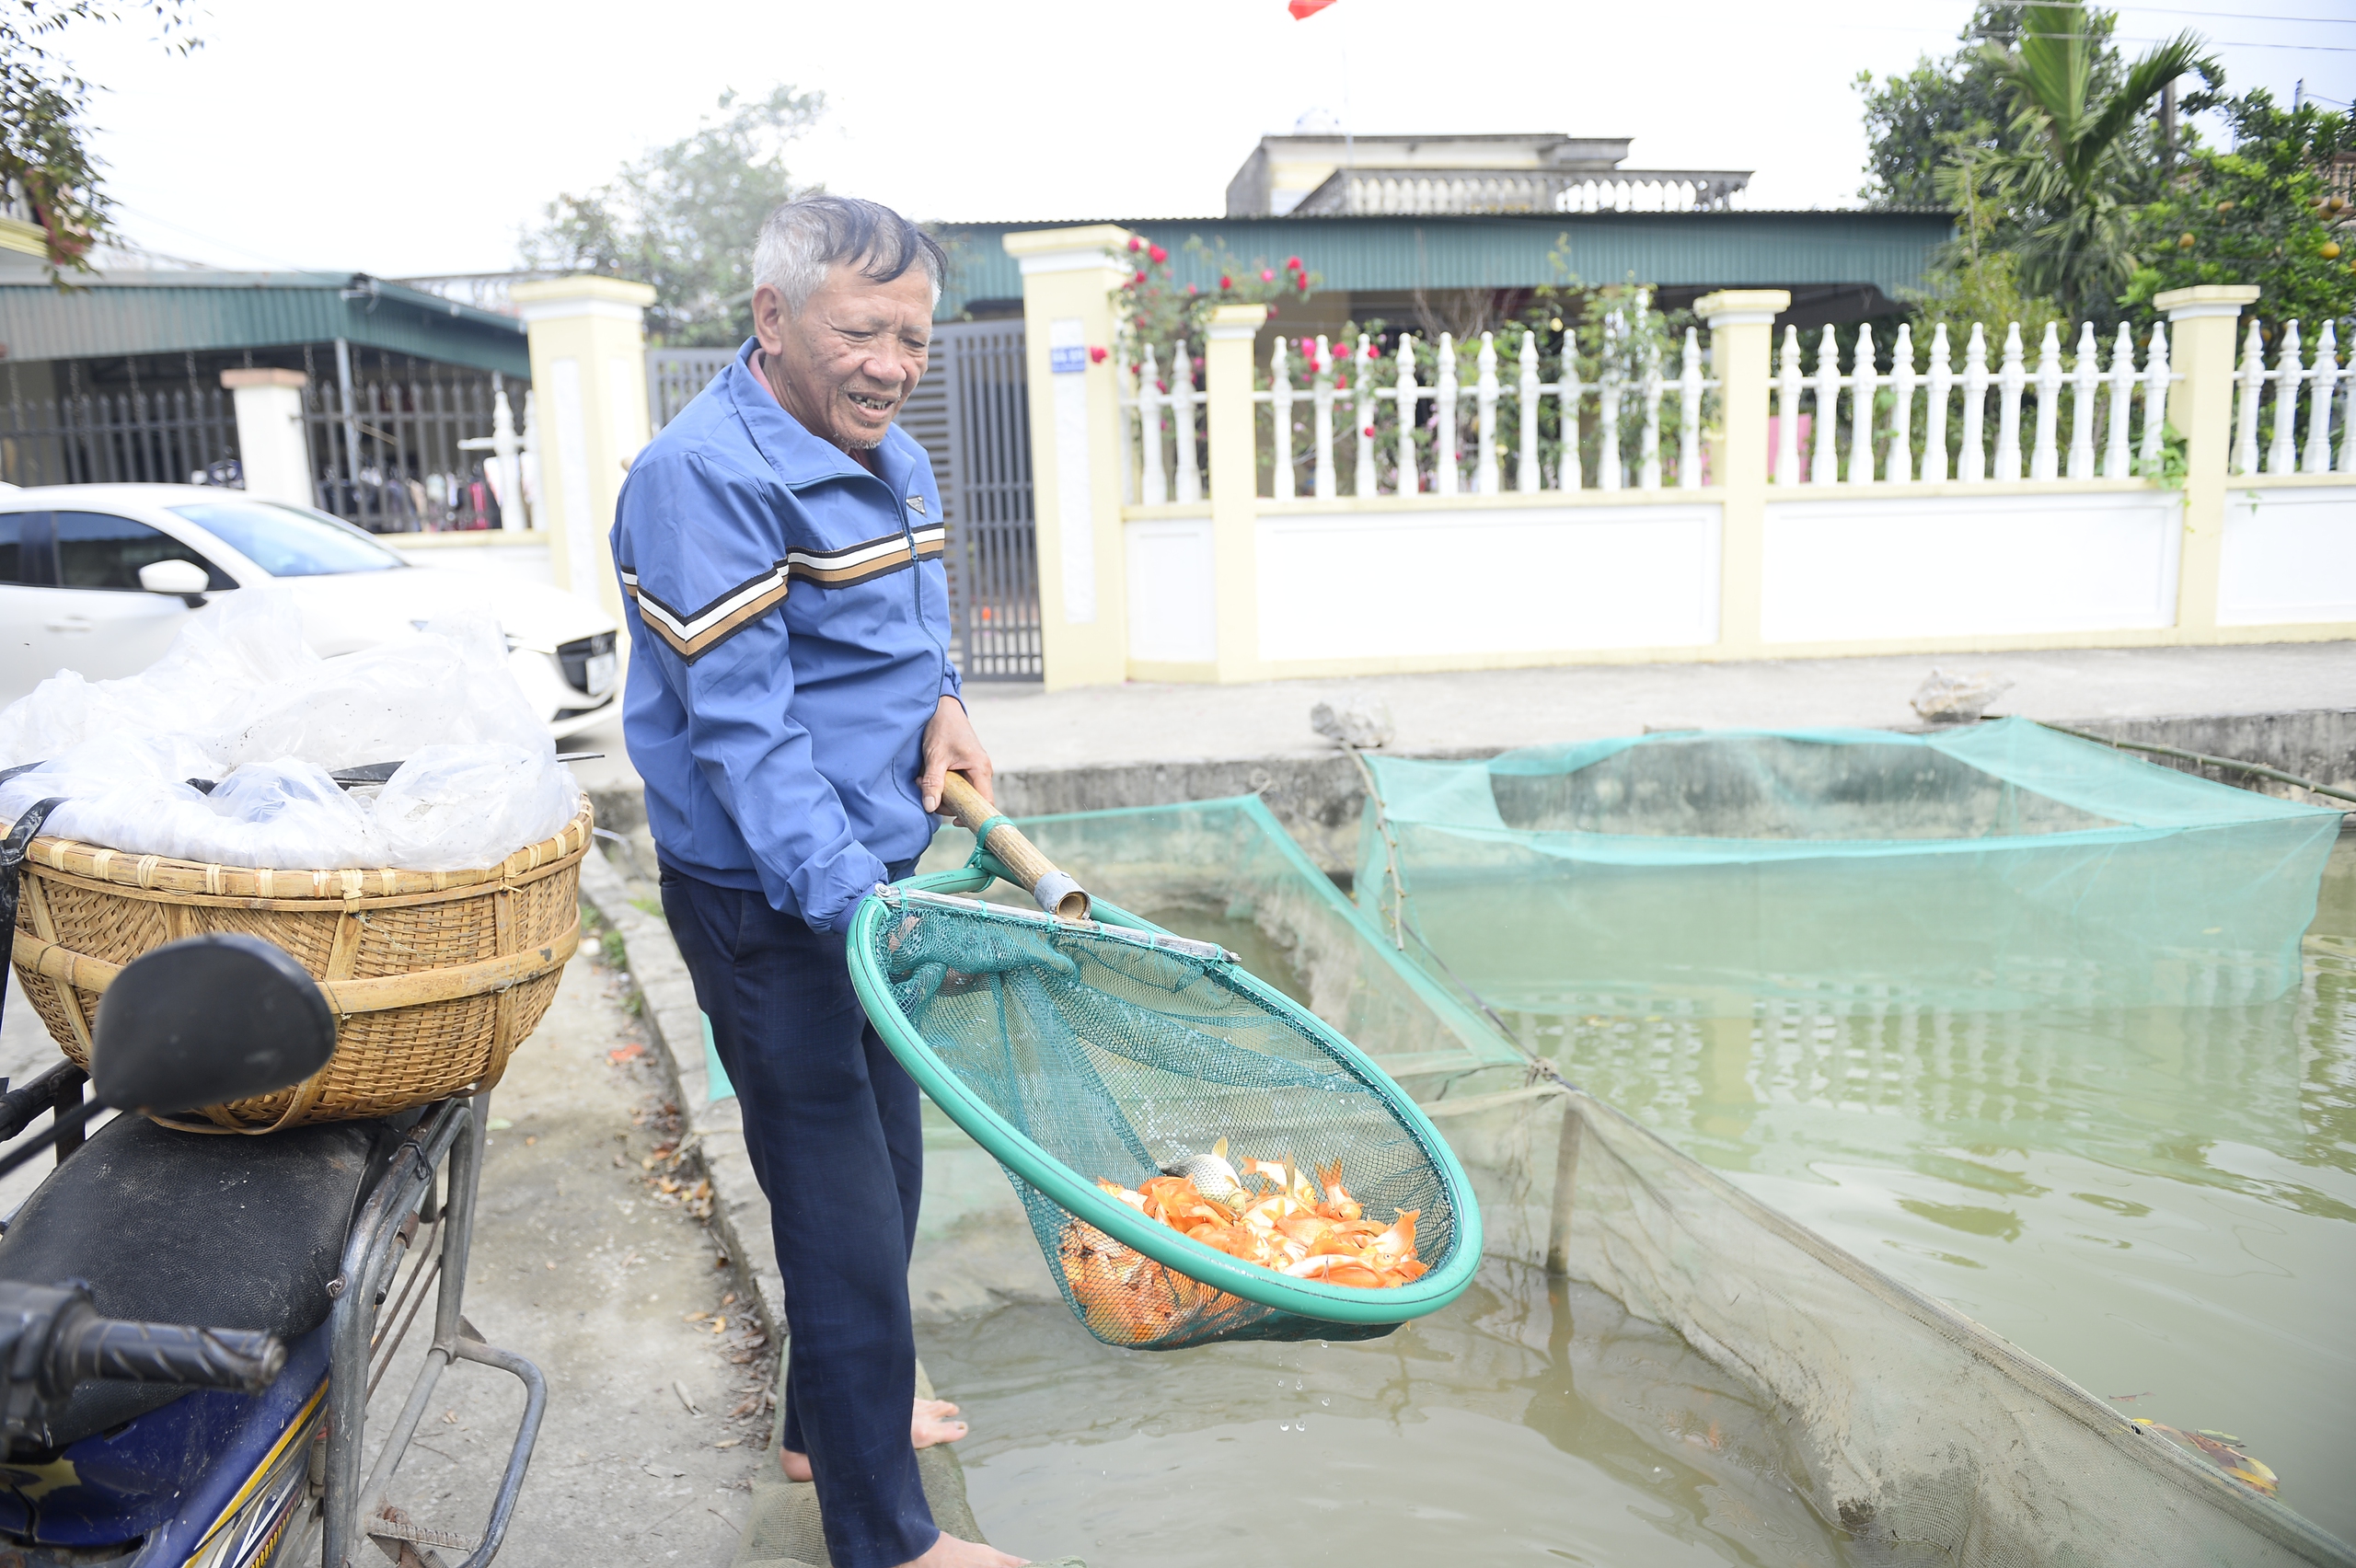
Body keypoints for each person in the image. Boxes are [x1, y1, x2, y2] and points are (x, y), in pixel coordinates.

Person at [611, 194, 1024, 1568]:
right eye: (863, 331)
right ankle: (885, 1540)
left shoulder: (890, 450)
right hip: (767, 902)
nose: (894, 363)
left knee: (883, 1175)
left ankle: (825, 1418)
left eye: (913, 336)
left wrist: (949, 706)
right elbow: (747, 733)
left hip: (866, 884)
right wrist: (860, 912)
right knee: (840, 1206)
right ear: (772, 318)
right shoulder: (700, 477)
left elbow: (908, 622)